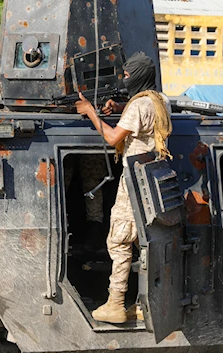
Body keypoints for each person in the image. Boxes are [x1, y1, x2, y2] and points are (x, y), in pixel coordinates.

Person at [74, 52, 172, 324]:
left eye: (128, 76)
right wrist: (118, 107)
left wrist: (91, 112)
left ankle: (116, 303)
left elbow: (112, 137)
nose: (124, 80)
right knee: (145, 242)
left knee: (118, 240)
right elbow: (140, 119)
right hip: (155, 183)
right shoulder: (159, 100)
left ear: (139, 76)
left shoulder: (138, 106)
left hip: (134, 184)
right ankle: (144, 304)